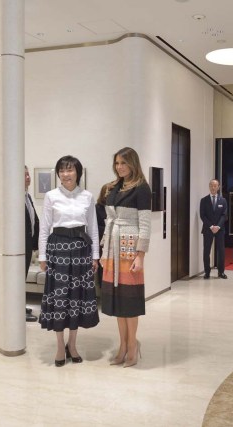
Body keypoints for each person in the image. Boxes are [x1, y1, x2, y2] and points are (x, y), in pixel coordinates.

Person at [38, 155, 99, 367]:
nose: (66, 174)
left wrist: (95, 256)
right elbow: (44, 228)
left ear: (78, 173)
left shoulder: (87, 196)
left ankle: (72, 344)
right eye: (62, 171)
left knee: (76, 298)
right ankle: (59, 345)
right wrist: (43, 256)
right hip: (58, 250)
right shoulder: (51, 196)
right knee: (59, 298)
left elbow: (93, 228)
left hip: (81, 250)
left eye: (70, 170)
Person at [100, 147, 151, 368]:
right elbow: (107, 221)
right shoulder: (113, 188)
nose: (119, 167)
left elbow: (145, 225)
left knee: (130, 302)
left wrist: (140, 256)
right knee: (118, 302)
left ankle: (132, 345)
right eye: (117, 163)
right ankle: (122, 345)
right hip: (112, 250)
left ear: (133, 163)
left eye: (123, 163)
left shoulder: (142, 189)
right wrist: (103, 251)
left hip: (129, 250)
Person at [200, 179, 228, 279]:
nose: (213, 187)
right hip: (208, 229)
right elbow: (202, 216)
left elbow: (224, 215)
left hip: (220, 230)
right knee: (206, 251)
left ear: (218, 187)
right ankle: (207, 272)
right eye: (211, 185)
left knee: (221, 251)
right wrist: (211, 227)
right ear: (209, 186)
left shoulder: (223, 201)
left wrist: (218, 226)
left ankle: (221, 272)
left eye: (215, 186)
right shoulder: (204, 200)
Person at [24, 166, 39, 322]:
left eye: (28, 174)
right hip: (19, 248)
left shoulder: (27, 196)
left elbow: (33, 221)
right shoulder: (15, 198)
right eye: (25, 175)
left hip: (28, 246)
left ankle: (20, 305)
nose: (28, 177)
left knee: (22, 278)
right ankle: (17, 310)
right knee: (18, 278)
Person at [95, 184, 108, 287]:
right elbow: (94, 226)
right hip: (101, 241)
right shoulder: (97, 207)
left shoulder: (116, 207)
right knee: (102, 266)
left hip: (113, 240)